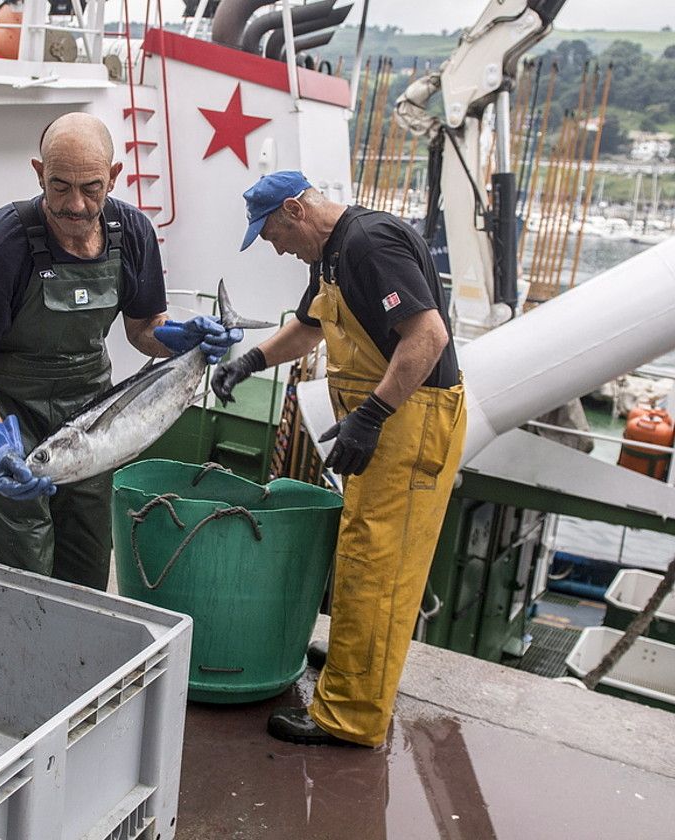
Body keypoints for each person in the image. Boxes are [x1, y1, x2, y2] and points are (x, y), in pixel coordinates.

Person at [216, 170, 465, 749]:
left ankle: (351, 716)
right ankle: (360, 660)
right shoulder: (329, 255)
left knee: (378, 564)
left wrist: (374, 414)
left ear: (297, 211)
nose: (275, 246)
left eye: (273, 232)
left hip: (410, 422)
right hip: (385, 423)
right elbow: (308, 331)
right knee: (361, 548)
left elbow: (428, 337)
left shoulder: (367, 245)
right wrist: (248, 362)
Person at [0, 112, 241, 589]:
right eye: (58, 186)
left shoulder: (133, 233)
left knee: (86, 558)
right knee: (20, 564)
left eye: (91, 187)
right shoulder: (2, 243)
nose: (76, 205)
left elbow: (144, 328)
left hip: (91, 412)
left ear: (115, 176)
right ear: (38, 172)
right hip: (12, 413)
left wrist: (184, 339)